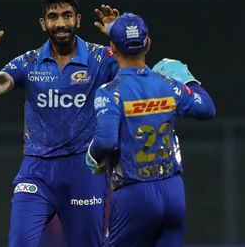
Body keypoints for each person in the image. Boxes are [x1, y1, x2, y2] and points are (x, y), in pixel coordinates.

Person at [0, 0, 119, 247]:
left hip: (83, 170)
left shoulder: (101, 58)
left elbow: (138, 76)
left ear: (78, 20)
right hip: (36, 171)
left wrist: (119, 40)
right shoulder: (28, 63)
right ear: (43, 24)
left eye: (67, 15)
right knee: (19, 242)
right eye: (53, 17)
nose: (61, 23)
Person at [86, 13, 216, 246]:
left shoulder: (110, 92)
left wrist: (91, 157)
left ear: (113, 47)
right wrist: (186, 78)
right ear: (147, 43)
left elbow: (105, 141)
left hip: (134, 194)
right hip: (173, 191)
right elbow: (206, 108)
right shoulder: (167, 84)